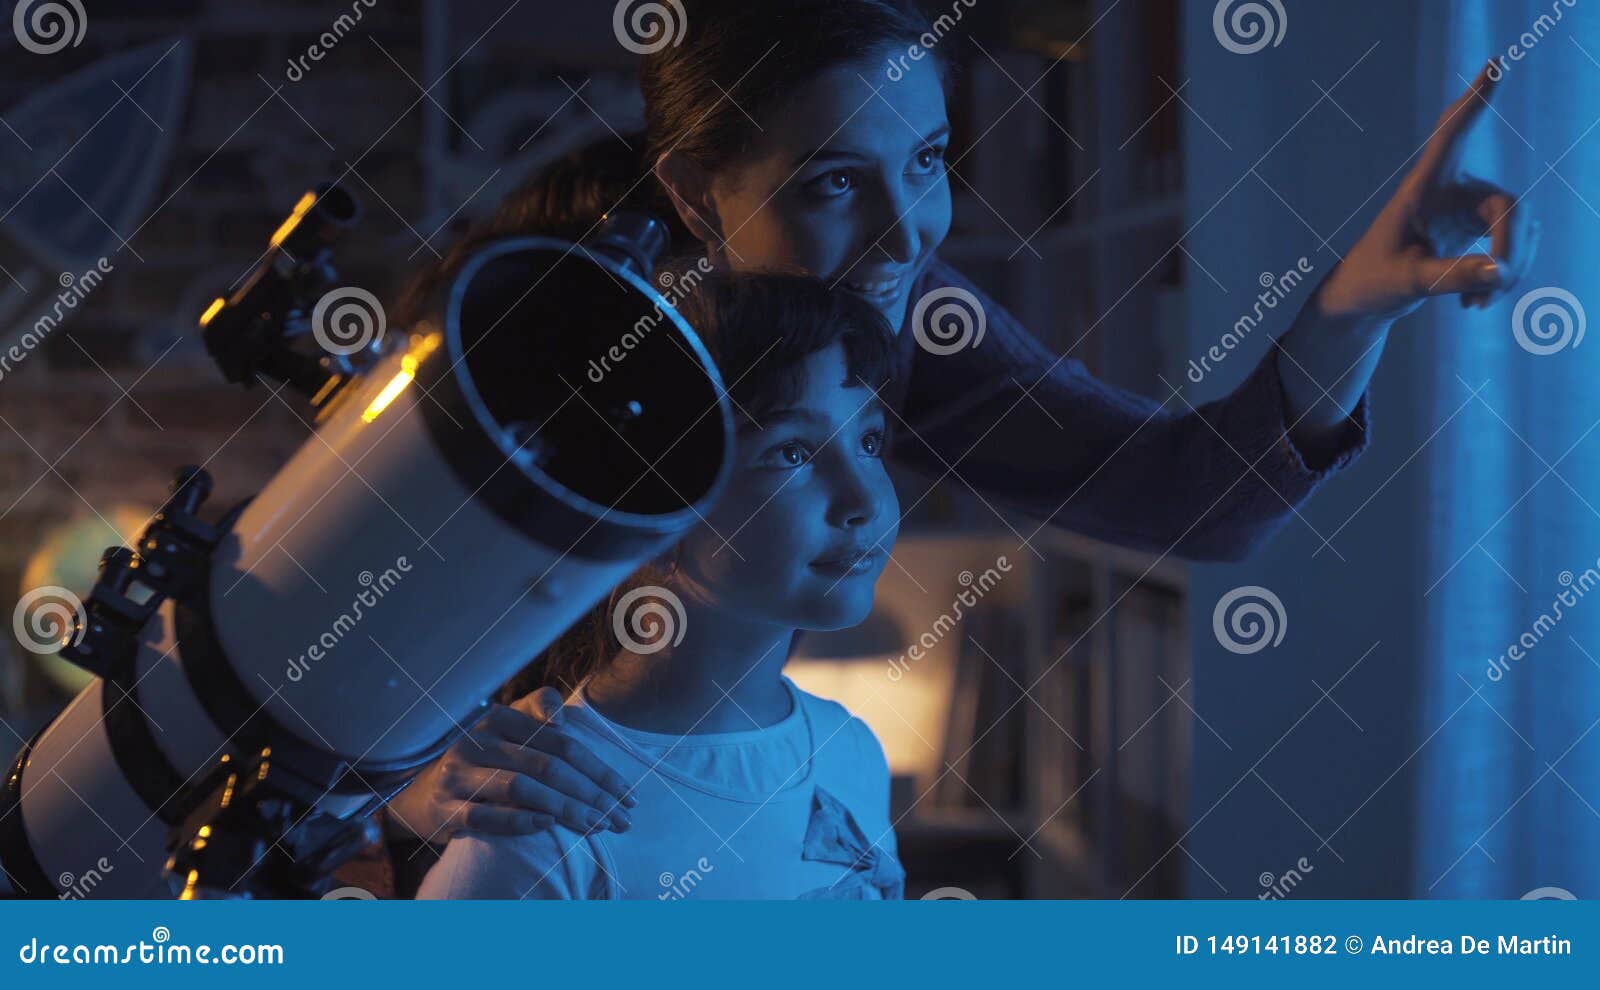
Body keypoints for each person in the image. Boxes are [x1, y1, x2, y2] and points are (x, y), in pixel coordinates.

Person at [354, 0, 1537, 886]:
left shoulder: (902, 312)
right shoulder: (523, 325)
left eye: (925, 164)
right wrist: (401, 785)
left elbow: (1191, 500)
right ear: (696, 189)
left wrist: (1354, 306)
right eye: (830, 184)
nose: (904, 234)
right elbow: (304, 652)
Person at [416, 270, 906, 899]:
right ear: (653, 504)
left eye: (869, 440)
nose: (863, 499)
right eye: (792, 454)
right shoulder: (547, 818)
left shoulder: (852, 752)